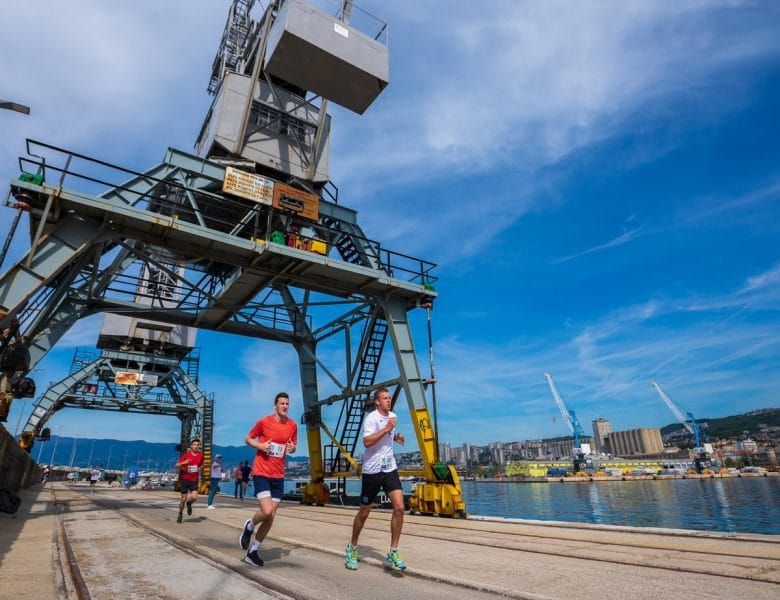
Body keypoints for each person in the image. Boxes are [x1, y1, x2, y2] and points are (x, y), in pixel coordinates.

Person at [345, 388, 407, 571]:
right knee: (364, 512)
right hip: (372, 471)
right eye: (385, 398)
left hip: (389, 468)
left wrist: (395, 436)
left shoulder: (393, 416)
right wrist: (387, 428)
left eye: (389, 398)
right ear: (377, 402)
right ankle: (353, 547)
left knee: (400, 507)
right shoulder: (371, 418)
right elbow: (367, 442)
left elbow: (386, 435)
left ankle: (393, 551)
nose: (388, 400)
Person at [239, 392, 297, 567]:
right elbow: (248, 438)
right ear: (275, 405)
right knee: (266, 511)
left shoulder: (293, 425)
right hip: (262, 471)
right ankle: (250, 525)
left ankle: (253, 551)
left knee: (271, 516)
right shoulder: (264, 422)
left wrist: (292, 448)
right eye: (281, 403)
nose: (285, 406)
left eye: (287, 404)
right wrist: (260, 446)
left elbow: (293, 447)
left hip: (278, 475)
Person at [175, 438, 203, 523]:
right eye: (194, 444)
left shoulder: (201, 455)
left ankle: (189, 503)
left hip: (194, 479)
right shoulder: (186, 455)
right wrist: (184, 462)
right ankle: (180, 514)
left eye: (197, 445)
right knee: (183, 499)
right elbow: (176, 465)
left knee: (194, 497)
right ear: (191, 446)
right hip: (185, 479)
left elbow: (202, 465)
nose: (196, 446)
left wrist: (199, 469)